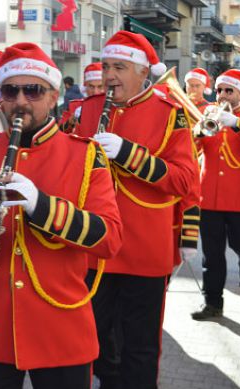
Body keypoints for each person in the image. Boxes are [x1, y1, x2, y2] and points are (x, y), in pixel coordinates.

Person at [0, 42, 123, 389]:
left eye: (32, 90)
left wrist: (41, 205)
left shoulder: (85, 154)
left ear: (53, 96)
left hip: (60, 328)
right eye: (10, 90)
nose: (20, 101)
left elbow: (109, 238)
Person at [75, 31, 198, 389]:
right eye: (106, 66)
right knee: (92, 340)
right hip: (94, 248)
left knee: (140, 348)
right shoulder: (88, 109)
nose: (109, 74)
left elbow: (185, 181)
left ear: (144, 72)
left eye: (120, 67)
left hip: (144, 249)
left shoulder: (170, 113)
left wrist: (128, 154)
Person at [191, 69, 240, 320]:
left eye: (229, 90)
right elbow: (192, 148)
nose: (222, 94)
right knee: (212, 254)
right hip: (210, 195)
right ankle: (212, 303)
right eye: (220, 90)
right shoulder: (208, 113)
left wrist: (236, 124)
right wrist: (199, 132)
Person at [60, 62, 104, 133]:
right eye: (91, 87)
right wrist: (71, 121)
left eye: (100, 87)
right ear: (85, 87)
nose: (95, 92)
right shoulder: (74, 106)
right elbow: (60, 132)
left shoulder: (113, 107)